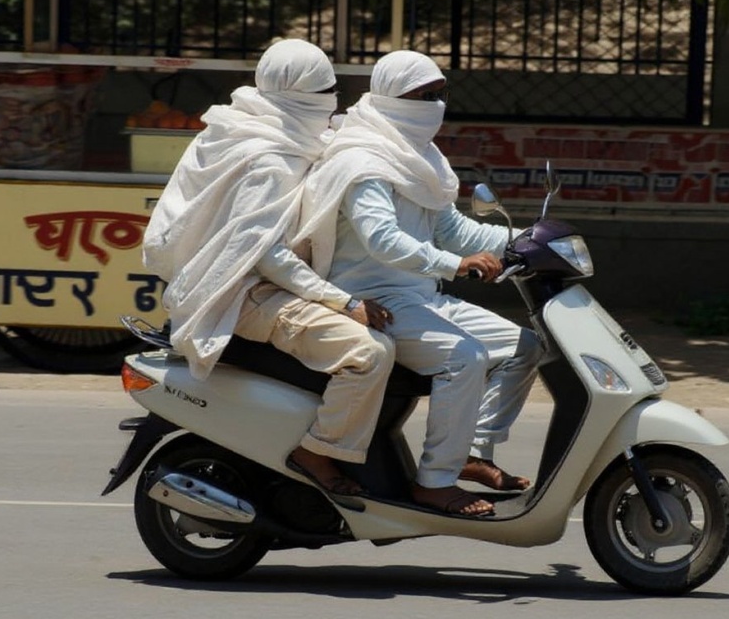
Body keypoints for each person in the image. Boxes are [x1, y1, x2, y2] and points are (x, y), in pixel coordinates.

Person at [142, 39, 395, 496]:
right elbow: (262, 252)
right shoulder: (271, 156)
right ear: (300, 95)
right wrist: (344, 301)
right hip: (244, 292)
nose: (332, 101)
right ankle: (317, 453)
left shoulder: (241, 126)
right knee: (369, 354)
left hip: (237, 279)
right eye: (325, 91)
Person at [297, 50, 543, 516]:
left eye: (439, 94)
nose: (435, 104)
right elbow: (382, 240)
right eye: (422, 95)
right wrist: (456, 265)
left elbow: (451, 229)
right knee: (464, 357)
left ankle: (473, 452)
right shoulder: (362, 161)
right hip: (376, 300)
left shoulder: (418, 156)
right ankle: (434, 483)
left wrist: (526, 240)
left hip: (421, 295)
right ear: (390, 98)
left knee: (524, 347)